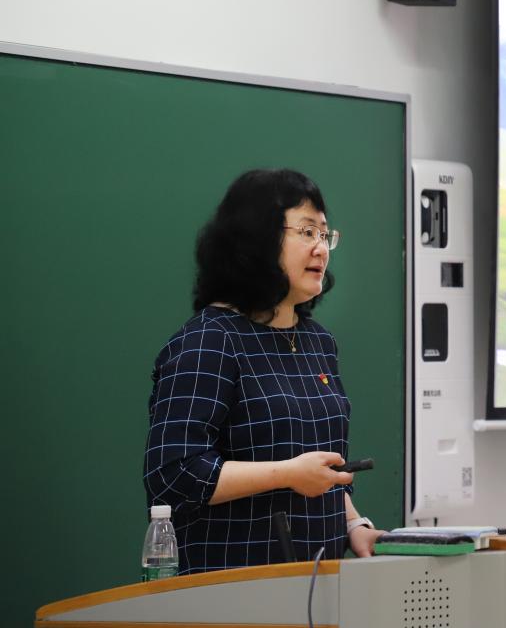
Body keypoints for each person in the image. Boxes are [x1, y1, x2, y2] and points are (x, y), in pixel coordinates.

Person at [143, 168, 382, 573]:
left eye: (325, 235)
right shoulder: (211, 340)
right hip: (232, 587)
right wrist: (287, 474)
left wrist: (353, 524)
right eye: (306, 232)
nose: (321, 248)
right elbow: (174, 474)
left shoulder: (319, 342)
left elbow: (320, 469)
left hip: (318, 583)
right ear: (257, 238)